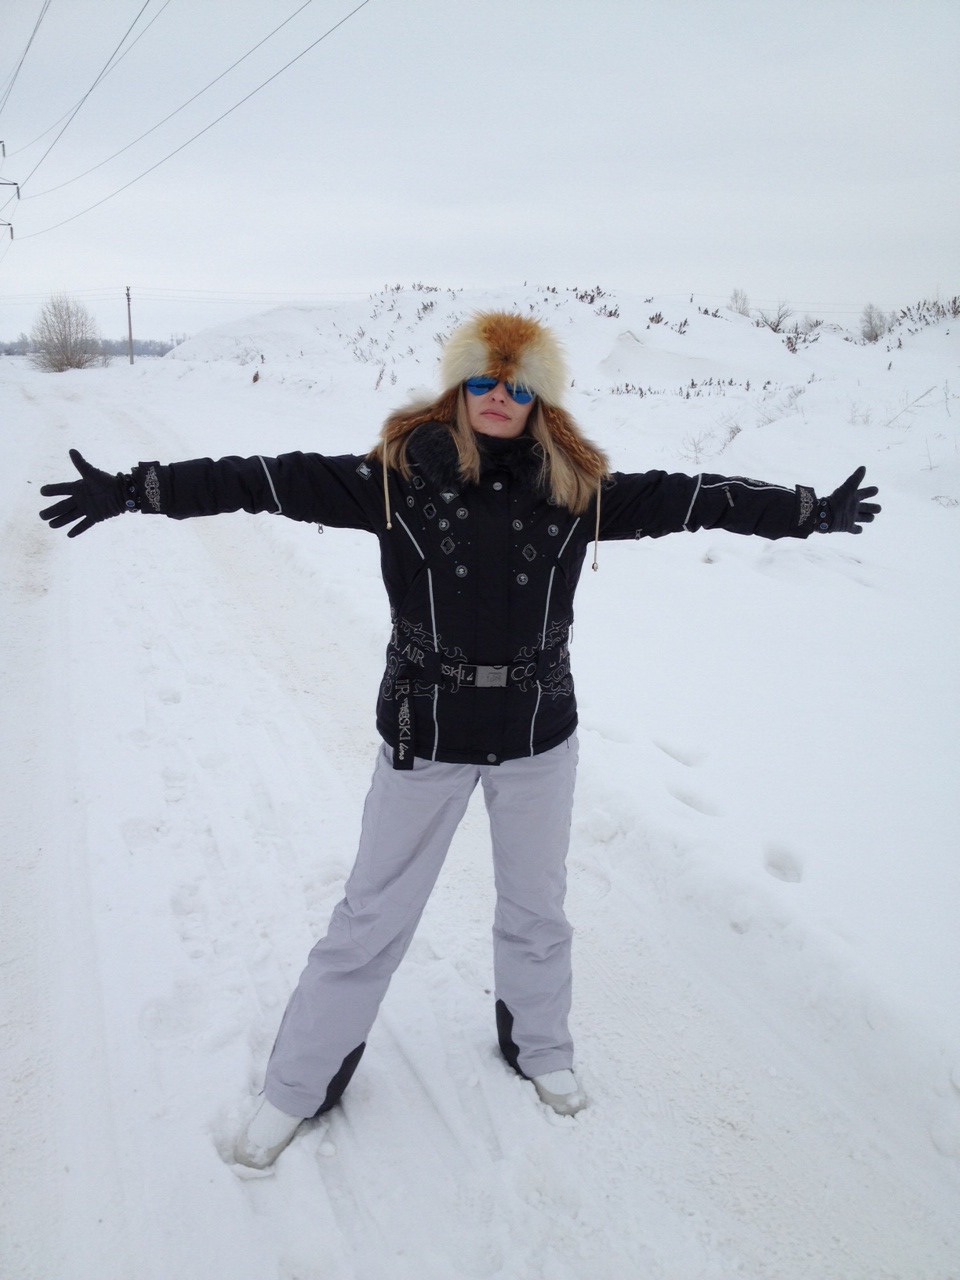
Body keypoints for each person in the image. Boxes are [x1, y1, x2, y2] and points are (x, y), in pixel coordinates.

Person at [39, 310, 880, 1168]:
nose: (498, 396)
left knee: (537, 911)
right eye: (484, 380)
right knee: (371, 918)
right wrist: (137, 489)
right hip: (426, 733)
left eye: (517, 386)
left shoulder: (576, 489)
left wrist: (805, 511)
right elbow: (262, 480)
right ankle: (298, 1084)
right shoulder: (395, 481)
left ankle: (539, 1045)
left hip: (538, 735)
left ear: (538, 398)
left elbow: (695, 498)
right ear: (459, 388)